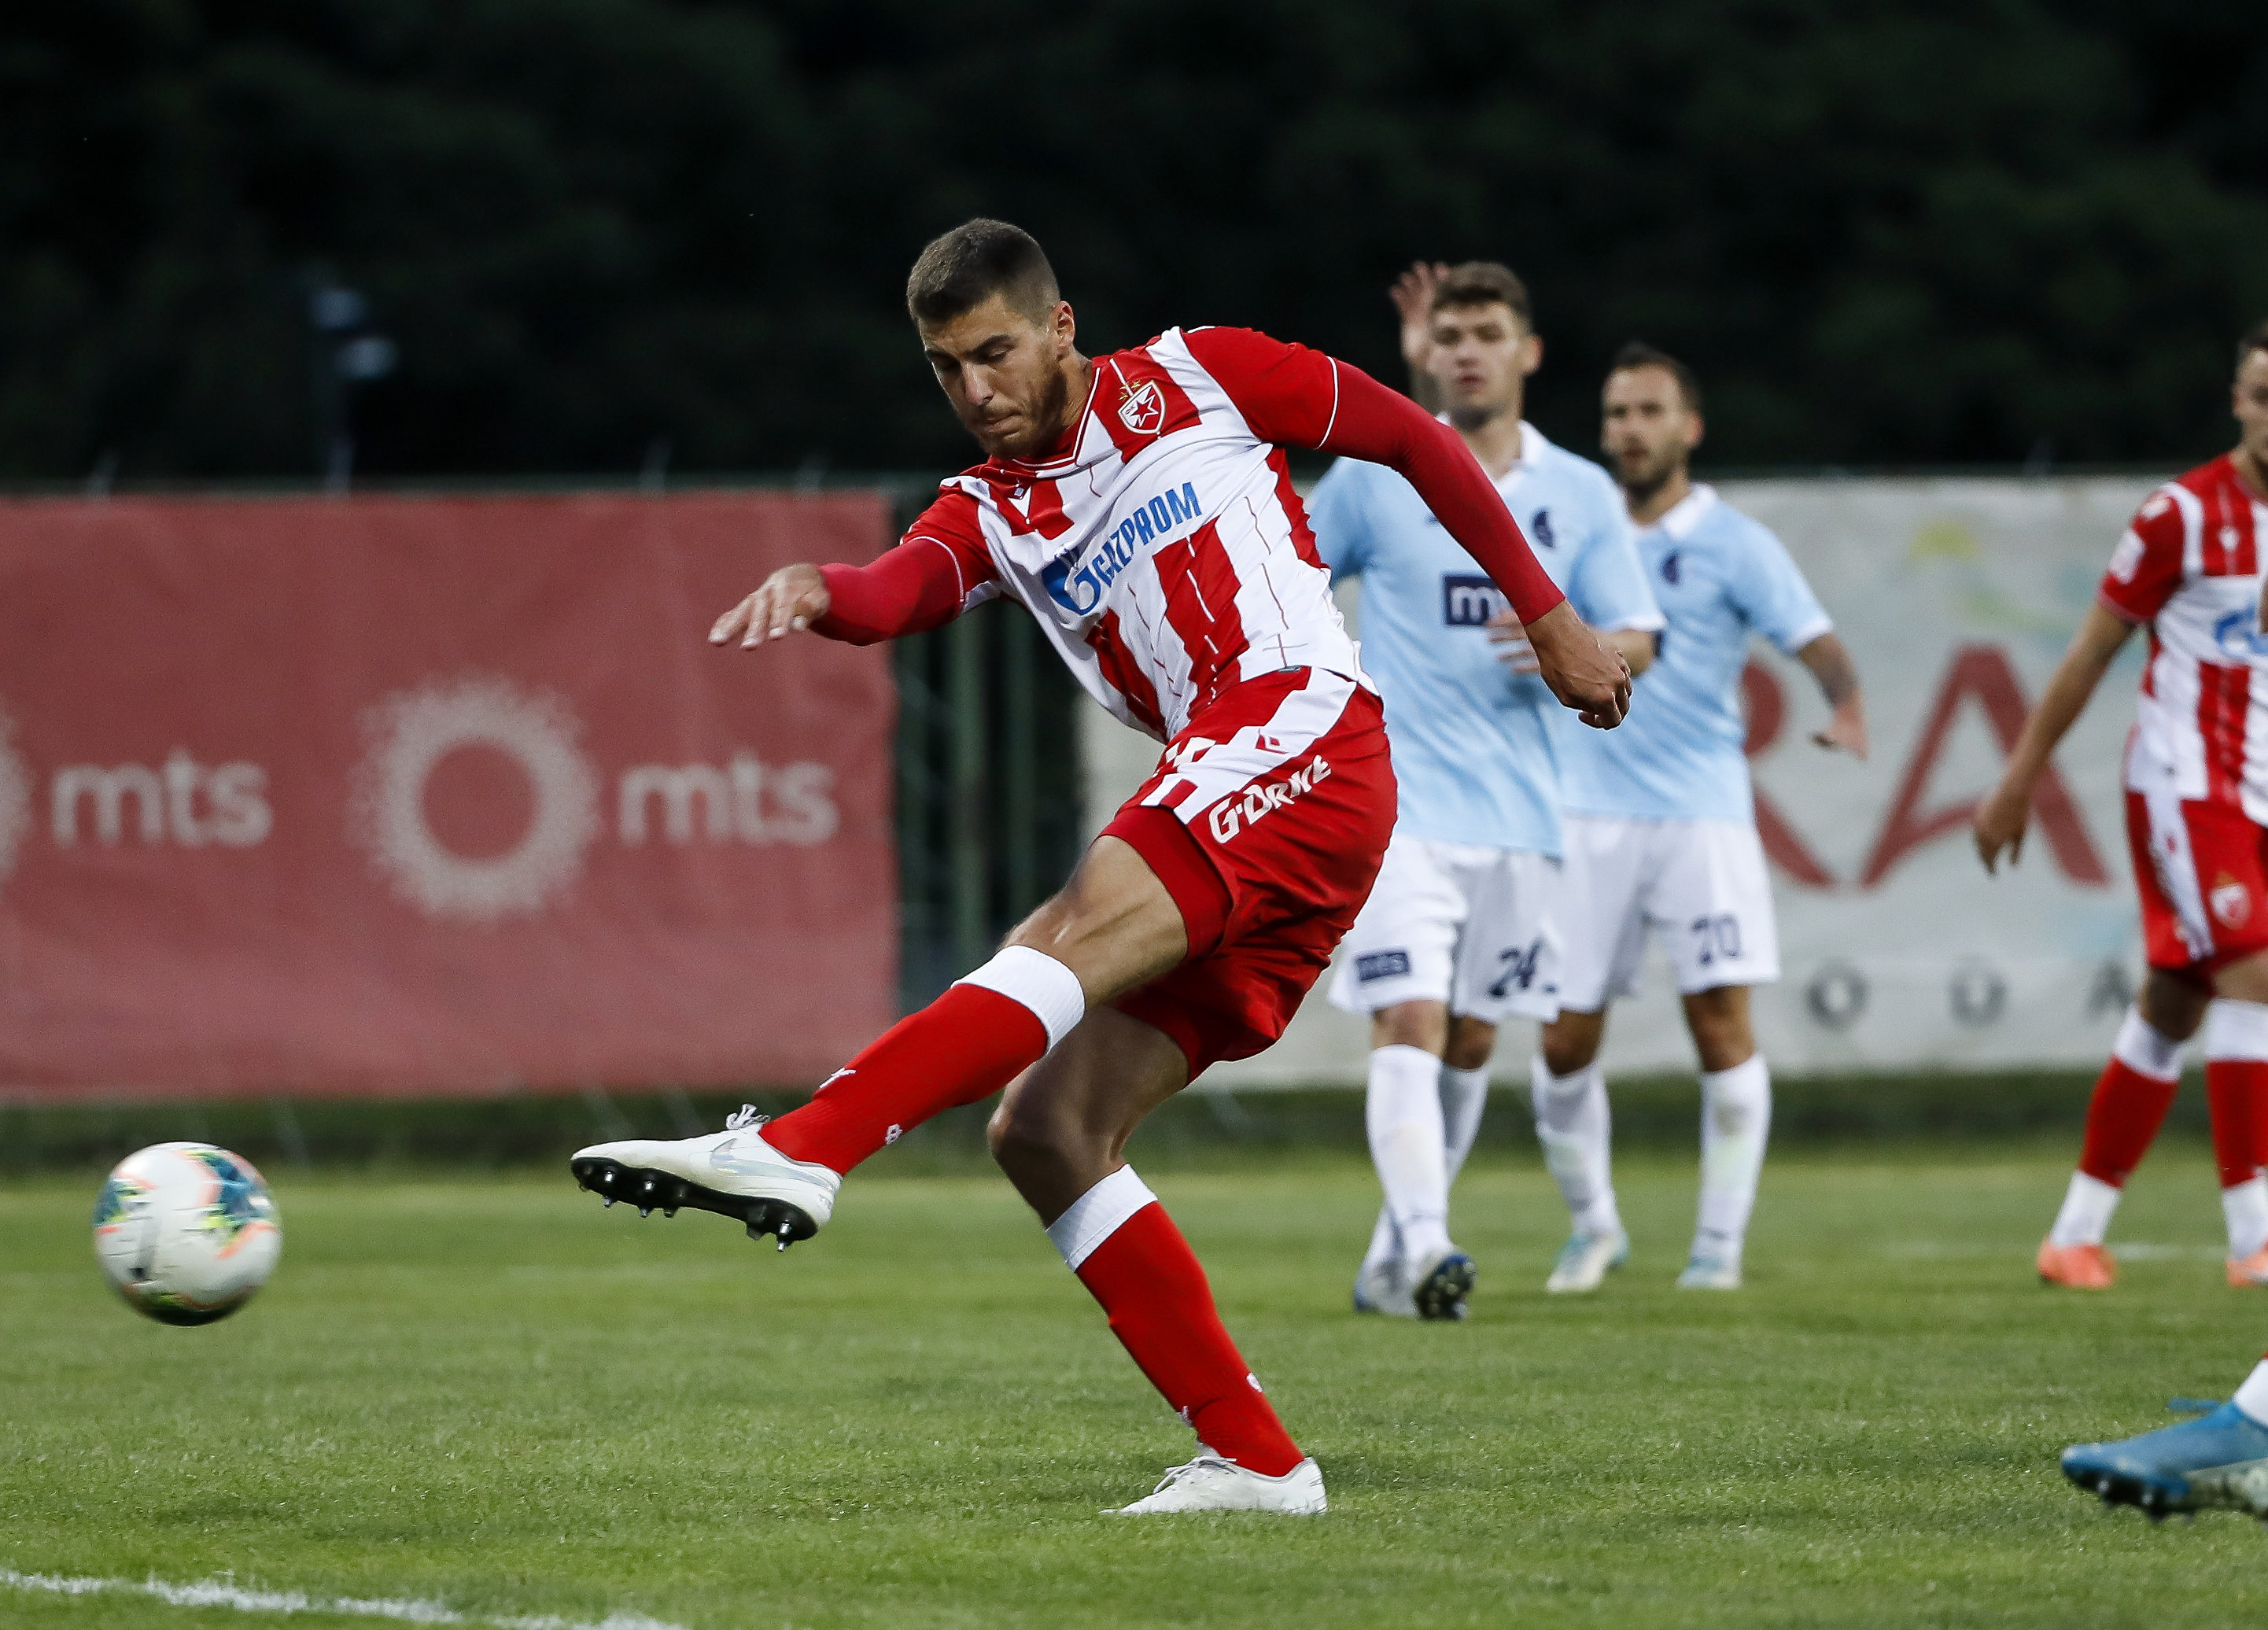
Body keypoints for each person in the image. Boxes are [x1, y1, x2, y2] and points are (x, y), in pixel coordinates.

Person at [566, 219, 1633, 1517]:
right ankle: (1257, 1462)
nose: (976, 391)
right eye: (945, 368)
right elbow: (899, 590)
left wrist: (1550, 611)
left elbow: (1414, 438)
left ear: (1061, 327)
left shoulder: (1205, 374)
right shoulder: (991, 511)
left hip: (1301, 733)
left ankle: (804, 1142)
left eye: (995, 353)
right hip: (1262, 809)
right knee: (1048, 1130)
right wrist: (821, 585)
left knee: (1067, 924)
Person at [1973, 310, 2268, 1293]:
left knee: (2174, 1002)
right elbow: (2092, 652)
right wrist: (2018, 779)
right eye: (2261, 396)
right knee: (2258, 975)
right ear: (2237, 401)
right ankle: (2255, 1233)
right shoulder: (2178, 515)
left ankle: (2075, 1232)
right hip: (2183, 783)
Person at [1313, 263, 1661, 1321]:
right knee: (1411, 1019)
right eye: (1451, 333)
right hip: (1401, 811)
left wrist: (1584, 643)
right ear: (1432, 351)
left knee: (1470, 1041)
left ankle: (1391, 1259)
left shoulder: (1582, 494)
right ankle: (1427, 1249)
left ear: (1528, 351)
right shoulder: (1379, 476)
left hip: (1524, 821)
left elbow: (1637, 632)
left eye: (1488, 332)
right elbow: (1289, 576)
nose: (1468, 348)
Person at [1521, 344, 1868, 1293]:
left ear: (1689, 427)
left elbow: (1818, 640)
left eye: (1648, 411)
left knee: (1720, 1025)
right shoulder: (1576, 523)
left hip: (1701, 816)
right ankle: (1595, 1227)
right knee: (1561, 1039)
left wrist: (1844, 703)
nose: (1629, 428)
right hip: (1584, 812)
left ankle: (1719, 1244)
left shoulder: (1735, 541)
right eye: (1617, 412)